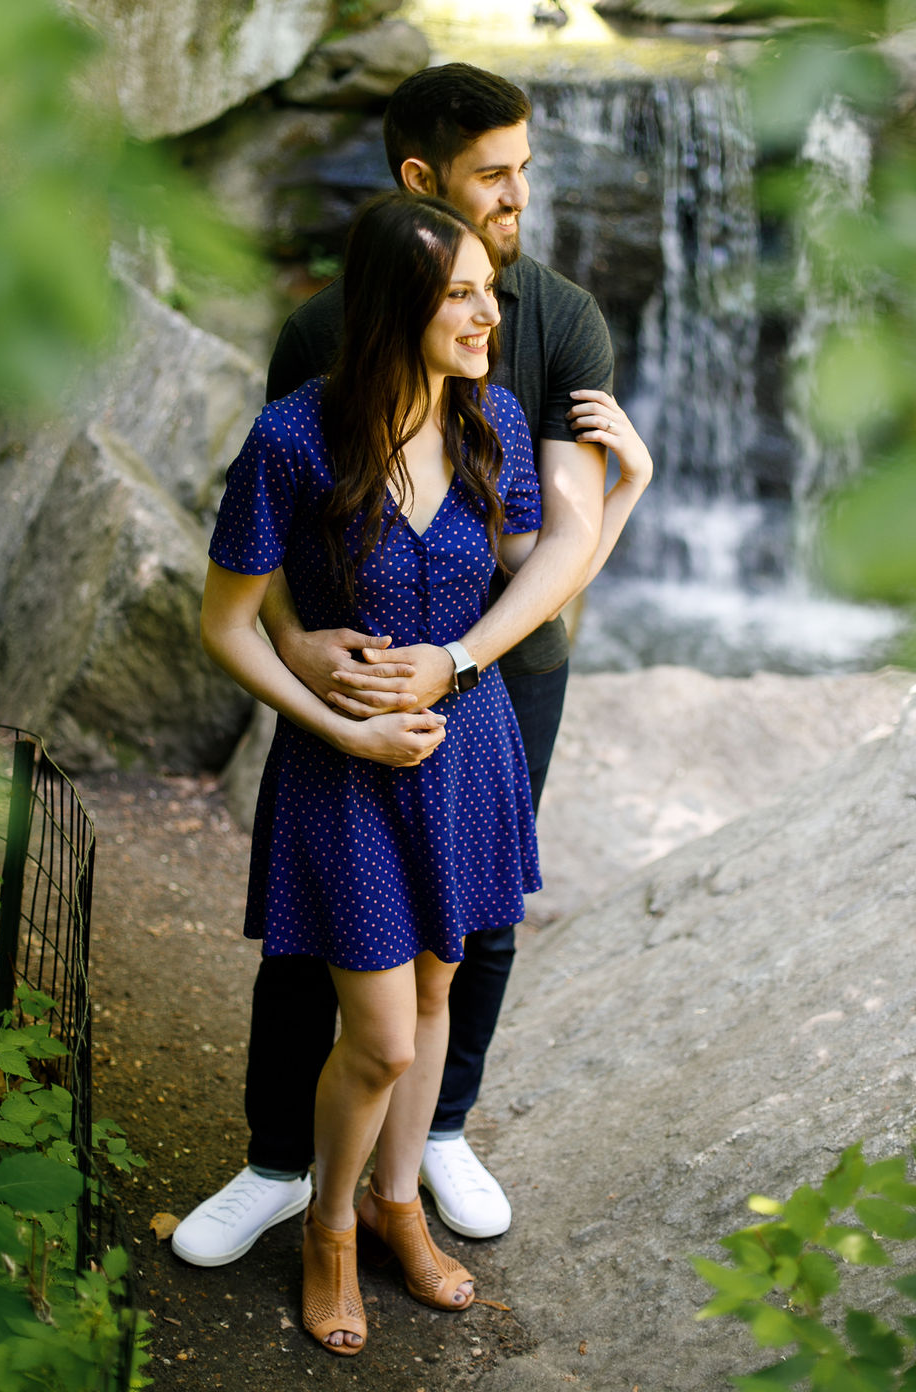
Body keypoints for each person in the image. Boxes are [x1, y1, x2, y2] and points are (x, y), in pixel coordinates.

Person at [173, 63, 652, 1270]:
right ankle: (284, 1166)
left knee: (465, 943)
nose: (519, 195)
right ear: (420, 183)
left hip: (490, 688)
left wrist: (455, 658)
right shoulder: (314, 363)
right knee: (320, 951)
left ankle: (423, 1153)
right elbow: (275, 537)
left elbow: (551, 549)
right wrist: (294, 646)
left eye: (524, 170)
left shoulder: (540, 341)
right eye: (495, 174)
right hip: (354, 705)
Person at [199, 192, 547, 1354]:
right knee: (384, 1038)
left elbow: (537, 574)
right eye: (460, 295)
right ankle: (330, 1227)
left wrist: (627, 490)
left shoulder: (487, 420)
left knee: (442, 991)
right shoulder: (292, 440)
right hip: (345, 772)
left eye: (486, 292)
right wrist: (333, 723)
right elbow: (229, 624)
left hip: (468, 746)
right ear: (398, 304)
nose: (486, 314)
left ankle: (402, 1207)